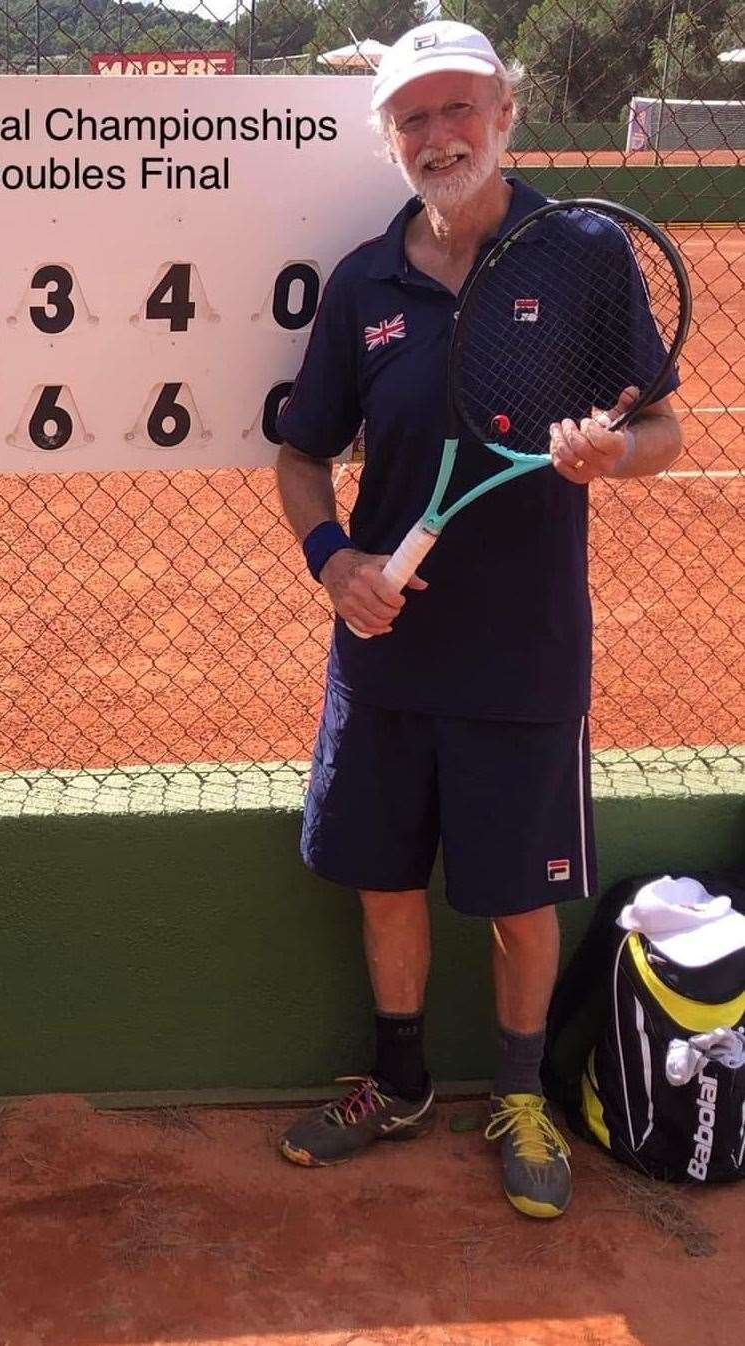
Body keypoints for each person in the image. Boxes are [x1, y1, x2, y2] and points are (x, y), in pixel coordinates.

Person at [271, 20, 683, 1219]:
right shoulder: (363, 282)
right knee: (385, 879)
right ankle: (397, 1081)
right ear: (390, 137)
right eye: (414, 117)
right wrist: (332, 555)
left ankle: (517, 1092)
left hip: (526, 650)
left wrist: (613, 452)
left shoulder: (585, 255)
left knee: (517, 899)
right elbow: (301, 454)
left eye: (459, 109)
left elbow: (666, 430)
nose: (438, 134)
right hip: (385, 650)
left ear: (504, 113)